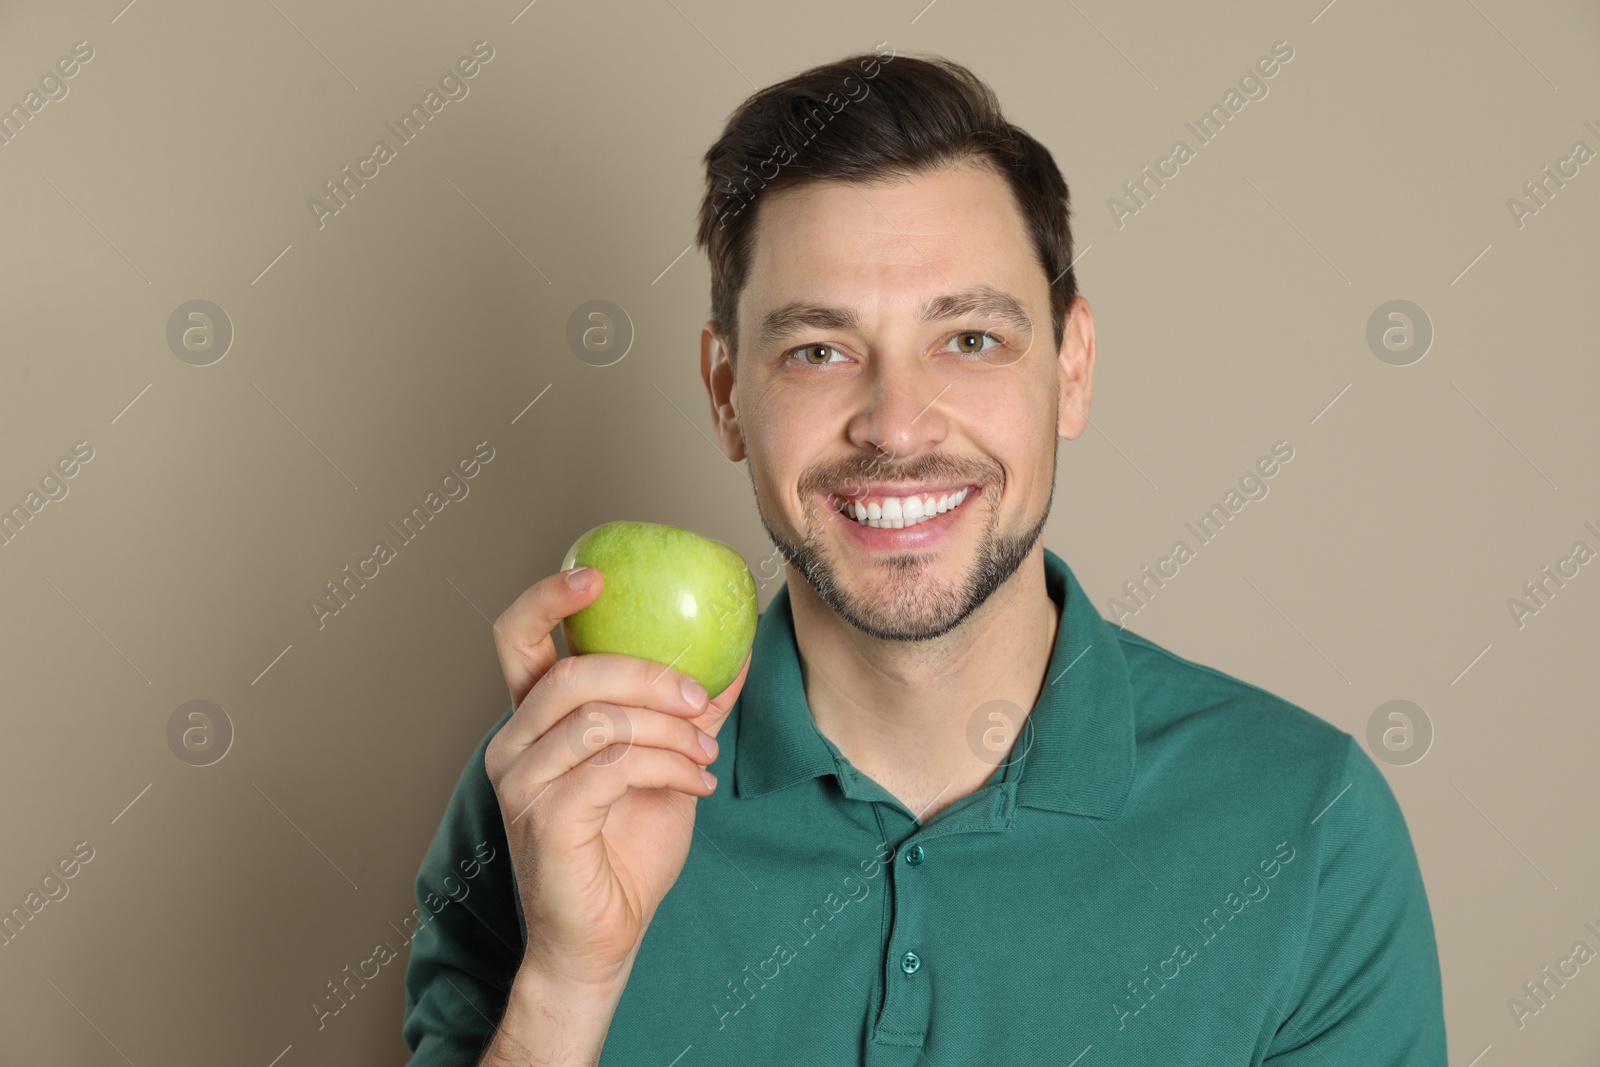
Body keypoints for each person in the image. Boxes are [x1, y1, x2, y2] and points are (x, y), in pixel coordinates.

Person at [401, 47, 1447, 1066]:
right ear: (726, 391)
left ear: (1070, 367)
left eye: (970, 340)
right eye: (818, 348)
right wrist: (570, 979)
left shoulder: (1304, 822)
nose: (897, 426)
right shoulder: (553, 787)